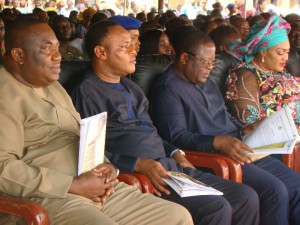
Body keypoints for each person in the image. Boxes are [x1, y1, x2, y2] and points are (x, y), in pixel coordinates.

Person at [0, 18, 194, 225]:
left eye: (57, 48)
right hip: (52, 196)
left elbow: (78, 137)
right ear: (18, 54)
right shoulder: (6, 95)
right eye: (47, 50)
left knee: (177, 217)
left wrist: (107, 167)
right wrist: (71, 185)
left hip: (95, 185)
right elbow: (3, 168)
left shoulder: (52, 85)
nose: (58, 57)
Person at [71, 20, 260, 225]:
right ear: (101, 52)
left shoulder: (131, 87)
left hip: (168, 166)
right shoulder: (87, 90)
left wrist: (174, 152)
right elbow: (90, 154)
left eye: (134, 44)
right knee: (216, 207)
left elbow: (150, 132)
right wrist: (138, 164)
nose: (135, 50)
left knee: (245, 197)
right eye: (125, 46)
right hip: (141, 175)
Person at [149, 23, 300, 225]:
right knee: (275, 190)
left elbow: (225, 115)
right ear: (184, 58)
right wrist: (218, 142)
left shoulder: (206, 82)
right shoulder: (167, 89)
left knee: (296, 183)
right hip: (214, 156)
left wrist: (244, 127)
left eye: (213, 63)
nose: (210, 69)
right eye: (206, 63)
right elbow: (176, 136)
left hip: (239, 146)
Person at [226, 16, 300, 132]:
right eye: (280, 52)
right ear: (263, 51)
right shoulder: (246, 75)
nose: (286, 57)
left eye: (287, 52)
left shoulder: (281, 72)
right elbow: (250, 124)